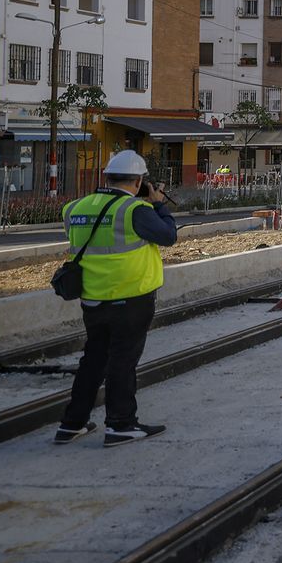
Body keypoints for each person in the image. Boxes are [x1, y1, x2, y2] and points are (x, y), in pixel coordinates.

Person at [53, 150, 179, 447]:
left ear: (107, 177)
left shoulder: (74, 208)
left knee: (94, 360)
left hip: (92, 298)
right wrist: (158, 204)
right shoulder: (135, 210)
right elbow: (168, 236)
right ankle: (121, 424)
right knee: (123, 361)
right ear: (138, 182)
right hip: (130, 298)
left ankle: (72, 424)